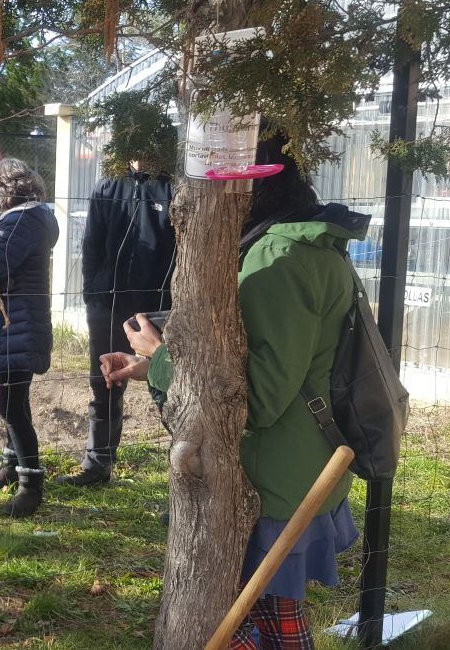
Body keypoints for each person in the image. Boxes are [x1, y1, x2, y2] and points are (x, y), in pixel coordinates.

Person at [101, 133, 362, 648]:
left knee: (245, 624)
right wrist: (148, 366)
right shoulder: (297, 245)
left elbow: (257, 399)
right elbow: (259, 357)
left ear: (245, 192)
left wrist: (162, 360)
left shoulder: (278, 259)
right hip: (295, 464)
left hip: (275, 479)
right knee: (270, 618)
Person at [58, 162, 175, 487]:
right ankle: (98, 465)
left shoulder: (171, 186)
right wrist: (93, 293)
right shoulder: (107, 185)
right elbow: (92, 245)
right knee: (105, 382)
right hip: (107, 303)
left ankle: (179, 476)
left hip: (158, 307)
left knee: (167, 385)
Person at [0, 158, 58, 518]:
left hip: (16, 322)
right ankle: (10, 467)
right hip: (22, 321)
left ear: (2, 191)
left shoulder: (19, 220)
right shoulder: (34, 217)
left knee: (11, 405)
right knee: (15, 400)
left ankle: (31, 483)